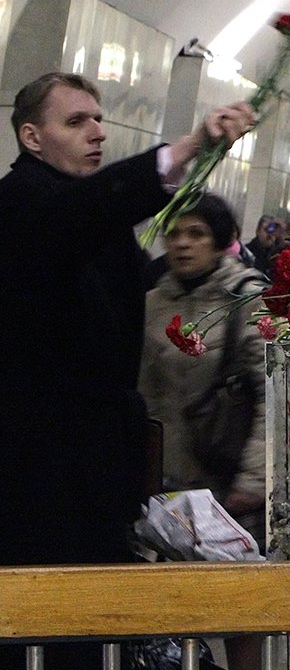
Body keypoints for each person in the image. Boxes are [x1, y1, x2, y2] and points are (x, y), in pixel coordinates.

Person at [0, 72, 254, 670]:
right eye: (76, 122)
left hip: (95, 478)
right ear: (31, 138)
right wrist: (187, 148)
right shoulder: (19, 206)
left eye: (98, 118)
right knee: (44, 636)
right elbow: (80, 215)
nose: (97, 132)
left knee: (86, 632)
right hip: (36, 482)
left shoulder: (94, 213)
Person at [139, 193, 266, 670]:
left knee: (240, 607)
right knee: (172, 607)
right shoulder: (153, 300)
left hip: (227, 478)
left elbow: (269, 389)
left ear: (221, 242)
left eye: (196, 234)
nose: (183, 245)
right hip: (169, 482)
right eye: (174, 233)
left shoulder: (246, 298)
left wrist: (254, 483)